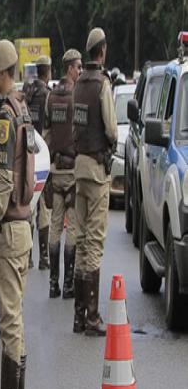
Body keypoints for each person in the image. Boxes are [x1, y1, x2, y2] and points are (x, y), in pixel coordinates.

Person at [0, 39, 35, 389]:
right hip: (25, 226)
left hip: (9, 229)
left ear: (3, 74)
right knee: (16, 320)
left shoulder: (5, 114)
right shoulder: (23, 109)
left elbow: (3, 179)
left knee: (9, 323)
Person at [72, 28, 117, 336]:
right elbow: (112, 130)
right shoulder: (103, 84)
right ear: (102, 52)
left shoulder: (77, 85)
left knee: (80, 238)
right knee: (95, 243)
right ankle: (92, 318)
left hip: (78, 167)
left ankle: (78, 317)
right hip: (98, 171)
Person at [43, 49, 82, 299]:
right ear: (69, 68)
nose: (80, 71)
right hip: (73, 171)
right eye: (77, 67)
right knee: (74, 227)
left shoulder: (50, 97)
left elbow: (46, 135)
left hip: (55, 170)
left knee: (55, 226)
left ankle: (53, 284)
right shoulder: (76, 96)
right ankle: (69, 284)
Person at [24, 55, 52, 270]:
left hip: (27, 153)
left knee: (29, 206)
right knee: (44, 207)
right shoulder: (46, 96)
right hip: (43, 154)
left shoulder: (27, 93)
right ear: (48, 71)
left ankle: (29, 256)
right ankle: (44, 257)